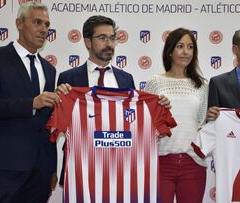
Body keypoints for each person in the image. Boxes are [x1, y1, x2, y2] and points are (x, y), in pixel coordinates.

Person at [56, 15, 170, 185]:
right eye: (102, 38)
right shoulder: (68, 79)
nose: (109, 44)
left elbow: (133, 119)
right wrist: (59, 98)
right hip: (80, 166)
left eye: (112, 38)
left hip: (120, 167)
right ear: (88, 42)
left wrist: (158, 105)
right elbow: (61, 122)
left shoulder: (126, 79)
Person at [0, 2, 60, 203]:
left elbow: (47, 124)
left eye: (47, 25)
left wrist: (51, 168)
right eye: (37, 22)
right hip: (5, 165)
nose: (44, 29)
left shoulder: (49, 69)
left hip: (40, 171)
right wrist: (31, 103)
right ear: (19, 24)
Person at [145, 28, 208, 203]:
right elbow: (145, 122)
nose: (185, 52)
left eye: (190, 47)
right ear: (170, 51)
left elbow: (202, 123)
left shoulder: (202, 85)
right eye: (180, 46)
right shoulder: (154, 82)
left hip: (193, 163)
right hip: (160, 161)